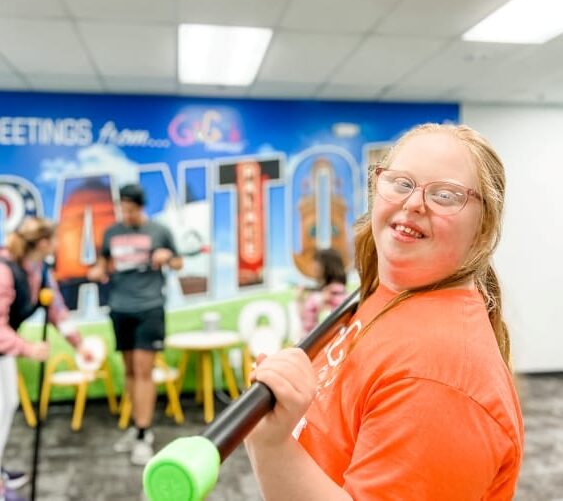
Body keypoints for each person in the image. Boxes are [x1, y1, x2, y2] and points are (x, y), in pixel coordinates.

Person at [245, 124, 524, 500]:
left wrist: (272, 447)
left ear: (484, 227)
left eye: (445, 194)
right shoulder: (388, 293)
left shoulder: (438, 378)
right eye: (402, 183)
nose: (413, 203)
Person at [88, 183, 182, 466]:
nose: (126, 214)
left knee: (143, 371)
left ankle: (144, 433)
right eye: (123, 208)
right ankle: (136, 425)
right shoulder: (112, 232)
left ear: (140, 207)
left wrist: (167, 258)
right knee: (129, 370)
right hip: (120, 308)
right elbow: (103, 264)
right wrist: (97, 271)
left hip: (149, 307)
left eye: (131, 209)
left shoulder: (159, 230)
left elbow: (178, 263)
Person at [0, 217, 86, 501]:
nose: (60, 244)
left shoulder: (40, 270)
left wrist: (79, 344)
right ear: (44, 243)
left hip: (4, 353)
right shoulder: (4, 270)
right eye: (56, 239)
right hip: (6, 346)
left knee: (7, 405)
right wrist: (27, 348)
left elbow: (57, 310)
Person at [298, 248, 347, 334]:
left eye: (316, 261)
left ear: (326, 266)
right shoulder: (325, 293)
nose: (313, 266)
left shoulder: (331, 295)